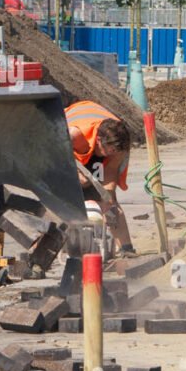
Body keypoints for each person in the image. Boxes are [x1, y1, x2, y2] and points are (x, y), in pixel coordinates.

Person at [64, 100, 135, 255]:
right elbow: (53, 157)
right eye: (108, 151)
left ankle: (126, 248)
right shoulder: (74, 135)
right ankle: (43, 247)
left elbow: (111, 170)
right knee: (63, 199)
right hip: (61, 148)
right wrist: (75, 176)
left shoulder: (118, 144)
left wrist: (107, 196)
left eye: (113, 152)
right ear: (98, 140)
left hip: (91, 142)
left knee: (110, 202)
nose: (111, 154)